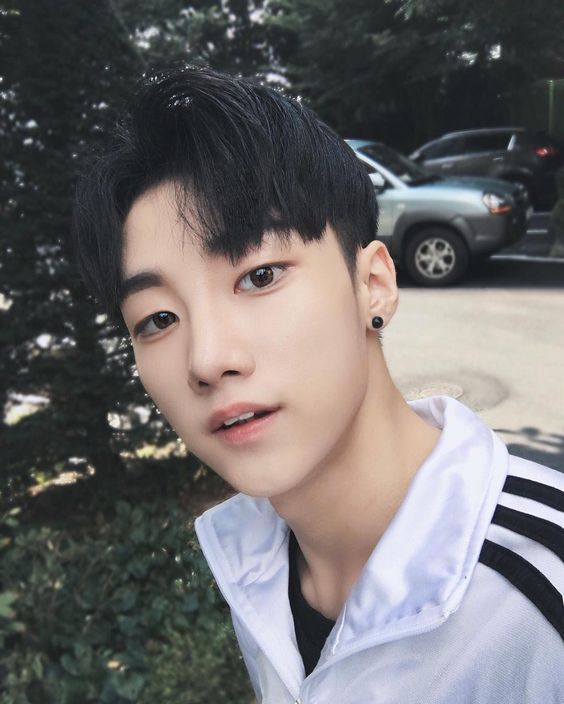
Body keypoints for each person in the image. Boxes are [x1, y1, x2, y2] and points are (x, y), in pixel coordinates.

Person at [72, 66, 564, 703]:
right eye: (158, 319)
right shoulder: (254, 562)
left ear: (373, 284)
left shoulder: (542, 594)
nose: (208, 359)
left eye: (259, 276)